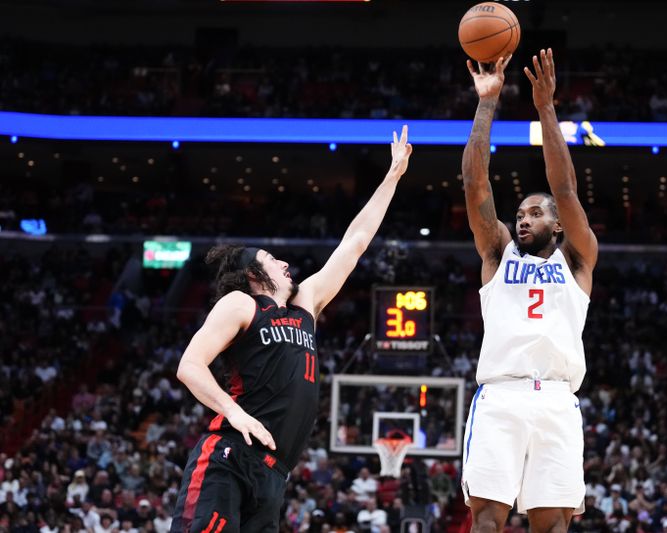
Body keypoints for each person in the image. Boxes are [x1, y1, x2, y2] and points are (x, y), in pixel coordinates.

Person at [170, 126, 413, 532]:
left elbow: (354, 241)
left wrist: (394, 174)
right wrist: (233, 412)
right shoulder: (242, 304)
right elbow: (190, 365)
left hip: (274, 473)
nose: (285, 262)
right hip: (229, 457)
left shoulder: (307, 304)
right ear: (253, 274)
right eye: (271, 258)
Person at [460, 48, 598, 533]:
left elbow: (565, 190)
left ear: (558, 225)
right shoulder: (499, 255)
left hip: (557, 399)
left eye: (534, 213)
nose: (523, 218)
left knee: (555, 523)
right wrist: (487, 102)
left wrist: (545, 108)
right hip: (502, 394)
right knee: (487, 520)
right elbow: (475, 184)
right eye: (519, 213)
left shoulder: (577, 258)